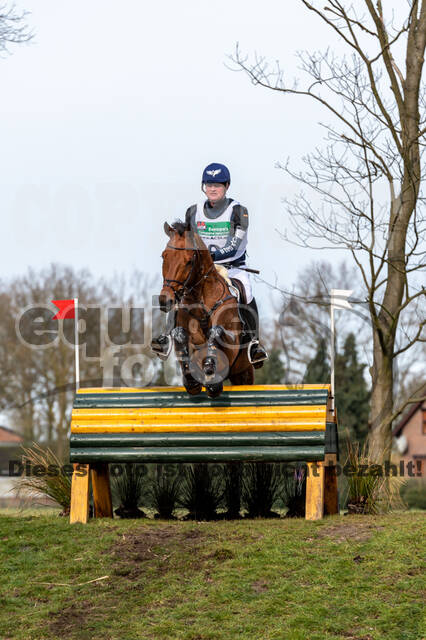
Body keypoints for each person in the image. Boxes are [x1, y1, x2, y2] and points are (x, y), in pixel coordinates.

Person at [152, 162, 268, 367]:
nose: (213, 189)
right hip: (203, 270)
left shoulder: (238, 211)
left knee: (246, 291)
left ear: (227, 186)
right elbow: (187, 242)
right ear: (203, 187)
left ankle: (253, 343)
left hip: (232, 267)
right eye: (208, 184)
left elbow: (235, 244)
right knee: (179, 290)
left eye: (218, 185)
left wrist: (210, 255)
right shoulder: (193, 212)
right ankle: (167, 337)